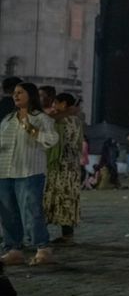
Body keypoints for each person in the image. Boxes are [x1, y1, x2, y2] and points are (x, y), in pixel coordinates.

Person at [0, 82, 58, 265]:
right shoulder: (8, 120)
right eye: (14, 93)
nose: (15, 96)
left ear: (30, 95)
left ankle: (43, 248)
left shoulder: (41, 118)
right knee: (8, 213)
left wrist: (32, 130)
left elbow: (51, 140)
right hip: (5, 172)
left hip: (30, 172)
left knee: (32, 212)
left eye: (20, 93)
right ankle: (13, 249)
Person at [43, 93, 85, 242]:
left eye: (56, 102)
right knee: (68, 198)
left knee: (54, 197)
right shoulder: (76, 120)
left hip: (60, 164)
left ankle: (41, 234)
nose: (54, 106)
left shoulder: (61, 120)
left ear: (64, 104)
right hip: (72, 164)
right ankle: (68, 235)